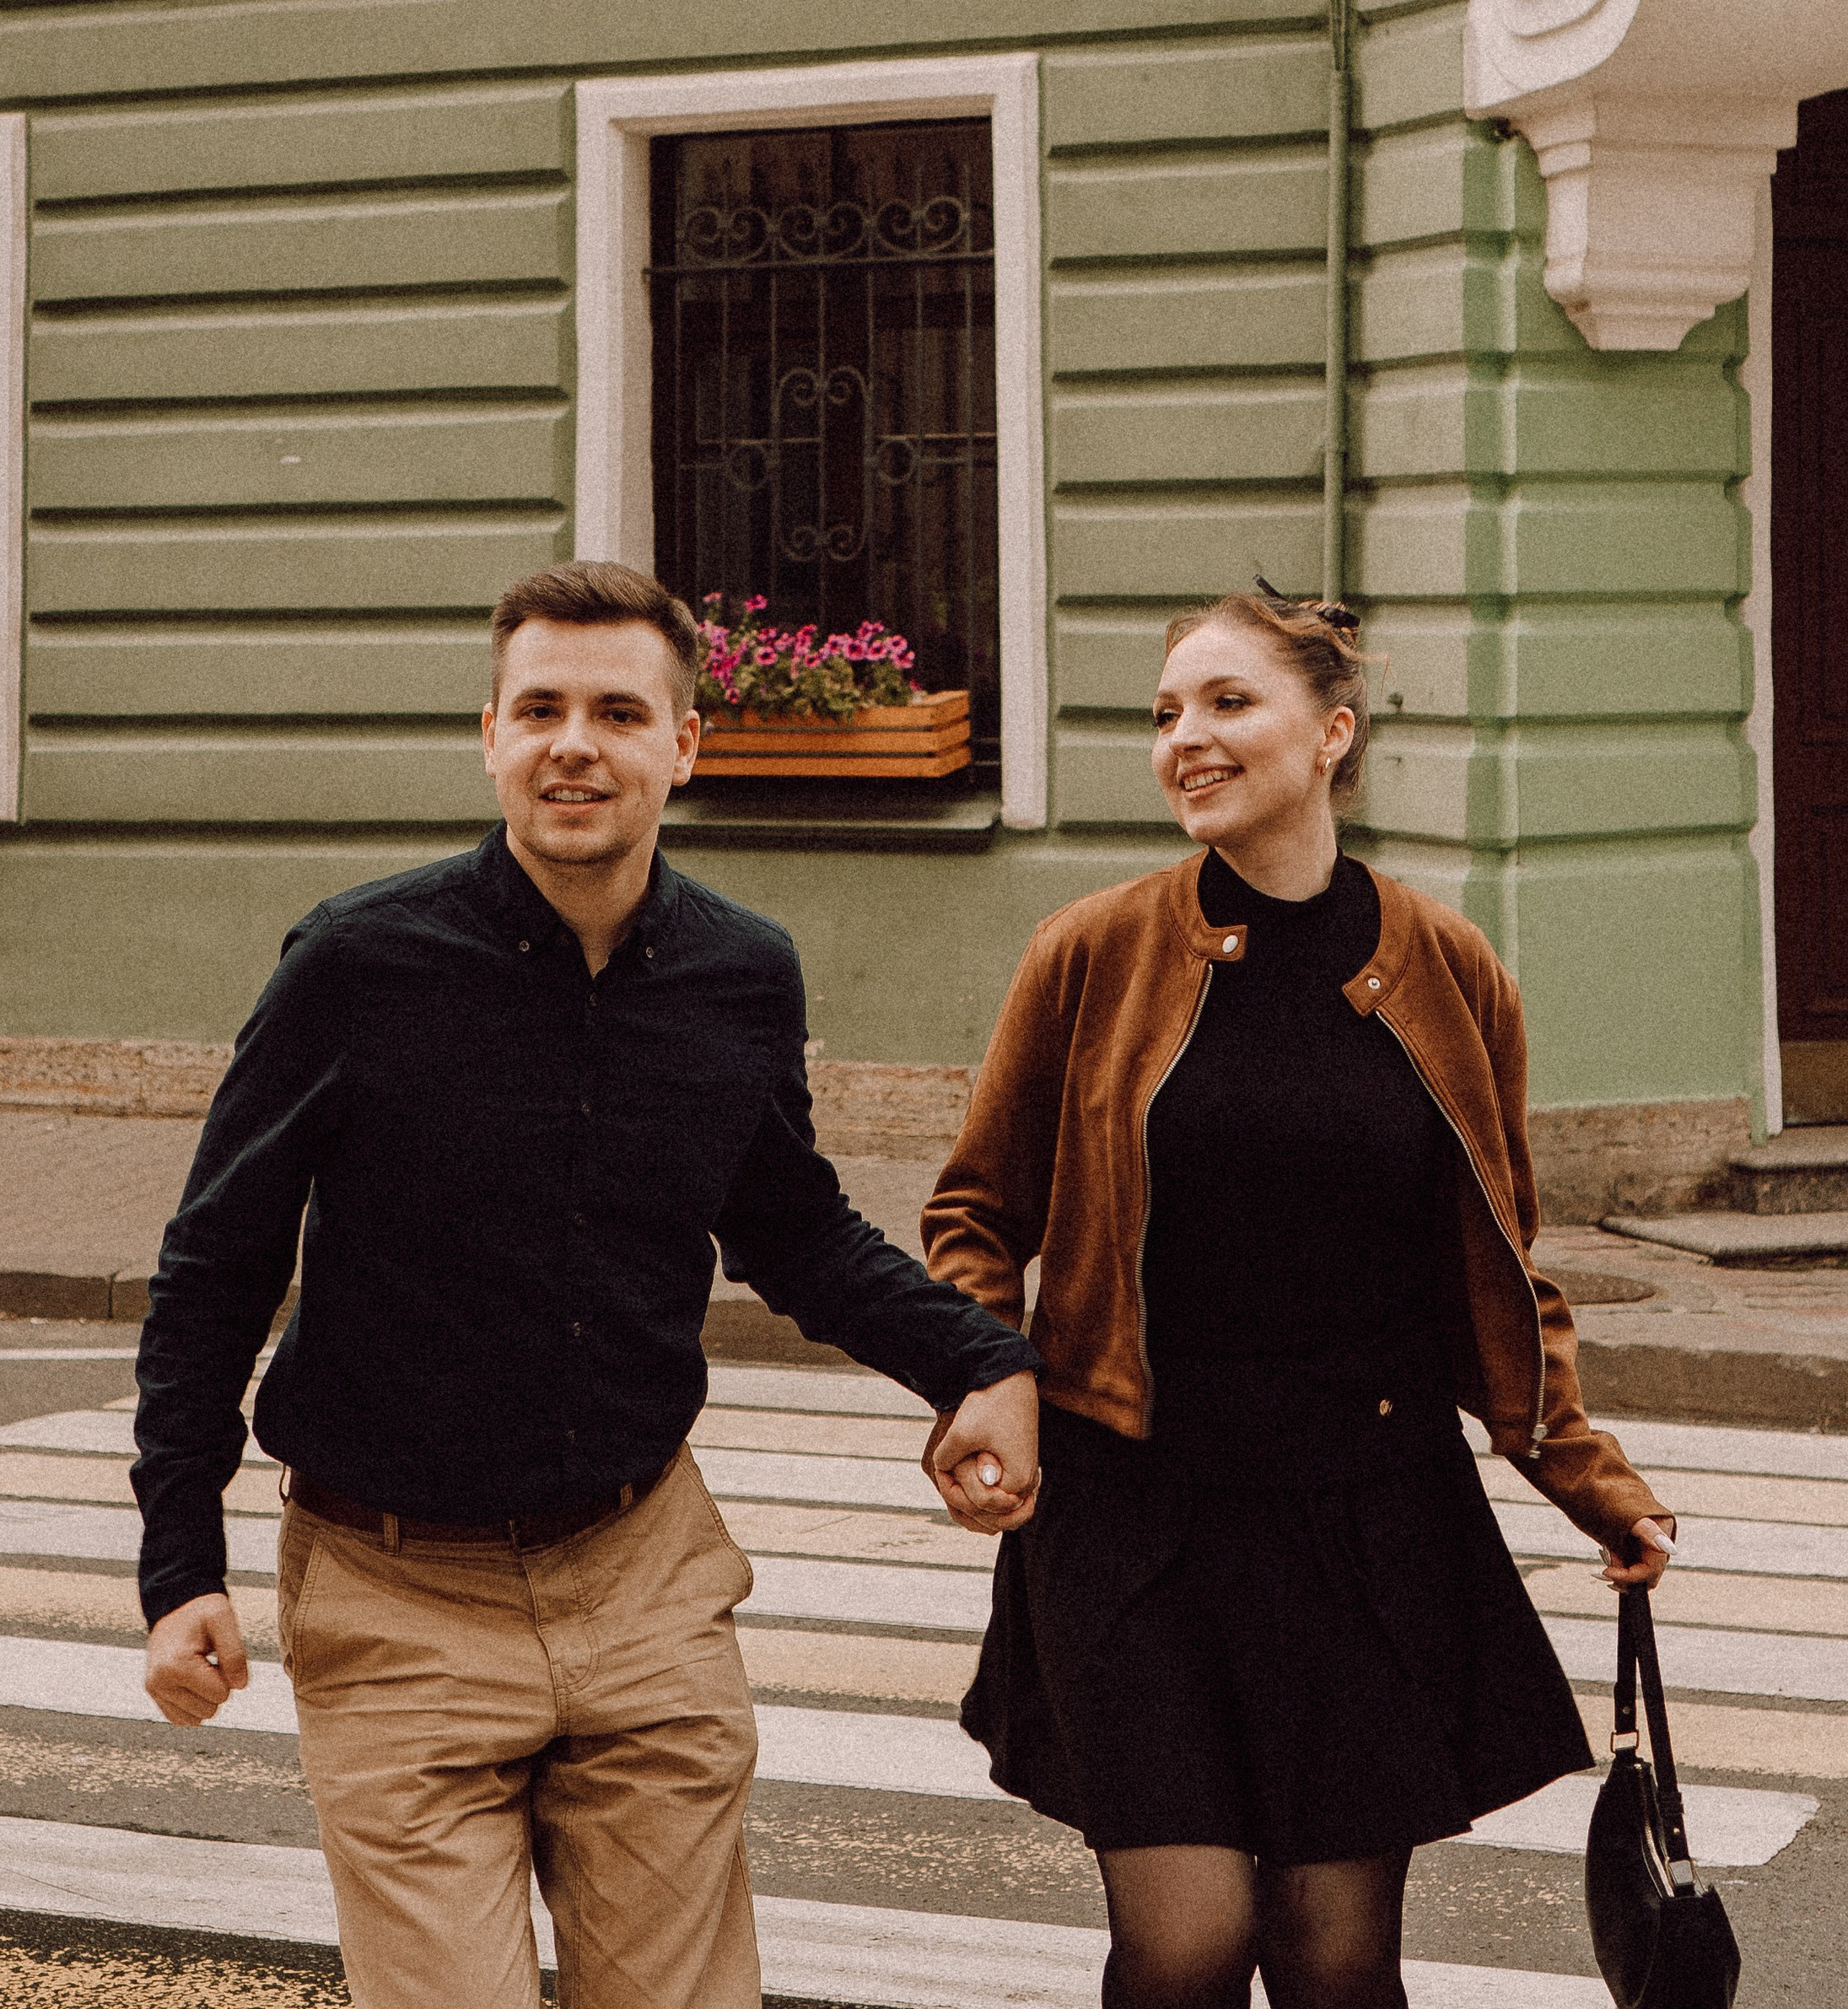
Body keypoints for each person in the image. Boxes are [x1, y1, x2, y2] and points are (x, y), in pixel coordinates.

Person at [133, 558, 1040, 2009]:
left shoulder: (743, 973)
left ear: (685, 745)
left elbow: (792, 1226)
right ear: (488, 735)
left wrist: (982, 1362)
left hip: (643, 1582)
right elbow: (217, 1263)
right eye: (540, 708)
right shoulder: (357, 963)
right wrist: (180, 1563)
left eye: (620, 711)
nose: (575, 743)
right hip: (394, 1595)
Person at [920, 583, 1677, 2009]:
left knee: (1338, 1961)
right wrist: (986, 1377)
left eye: (1225, 704)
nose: (1185, 740)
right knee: (1187, 1943)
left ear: (1331, 734)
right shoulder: (1090, 953)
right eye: (1164, 715)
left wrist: (1589, 1478)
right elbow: (976, 1214)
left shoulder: (1450, 970)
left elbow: (1503, 1270)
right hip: (1131, 1514)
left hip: (1364, 1514)